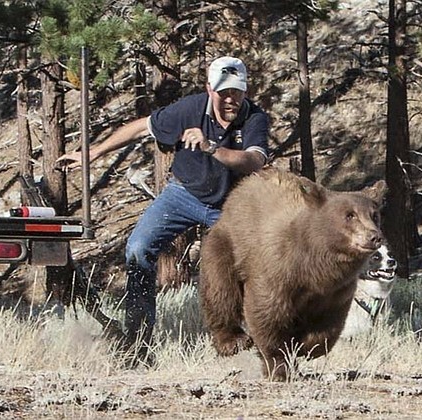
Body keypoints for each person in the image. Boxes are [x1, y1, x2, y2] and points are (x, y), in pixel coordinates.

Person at [56, 56, 270, 360]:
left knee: (250, 267)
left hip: (231, 204)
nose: (231, 99)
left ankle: (255, 344)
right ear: (210, 89)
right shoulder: (190, 109)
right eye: (224, 92)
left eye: (237, 91)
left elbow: (254, 160)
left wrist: (210, 147)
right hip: (182, 195)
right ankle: (137, 341)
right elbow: (141, 128)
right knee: (138, 248)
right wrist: (92, 153)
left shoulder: (254, 118)